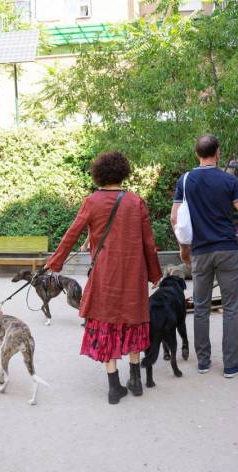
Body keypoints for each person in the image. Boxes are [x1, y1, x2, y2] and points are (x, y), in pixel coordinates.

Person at [47, 152, 162, 405]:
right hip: (134, 273)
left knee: (107, 323)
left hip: (105, 274)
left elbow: (72, 234)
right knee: (134, 320)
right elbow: (148, 244)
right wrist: (155, 274)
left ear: (98, 173)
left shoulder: (92, 201)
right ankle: (136, 381)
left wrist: (55, 263)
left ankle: (113, 387)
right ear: (123, 172)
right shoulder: (136, 202)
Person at [171, 135, 238, 378]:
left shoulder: (185, 180)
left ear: (197, 154)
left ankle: (204, 363)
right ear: (217, 152)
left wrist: (184, 249)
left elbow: (175, 218)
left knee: (201, 308)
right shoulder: (229, 181)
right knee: (230, 308)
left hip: (200, 252)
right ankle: (230, 365)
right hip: (228, 250)